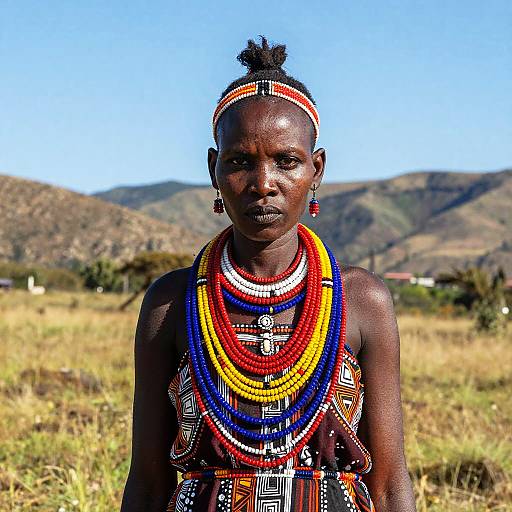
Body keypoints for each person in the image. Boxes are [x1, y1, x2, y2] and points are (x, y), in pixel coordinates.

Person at [121, 36, 416, 512]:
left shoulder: (361, 300)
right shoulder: (172, 302)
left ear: (316, 169)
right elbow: (148, 483)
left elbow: (387, 482)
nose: (263, 184)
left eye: (287, 161)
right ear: (214, 169)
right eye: (240, 162)